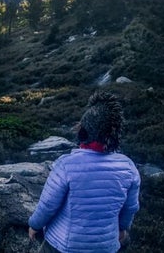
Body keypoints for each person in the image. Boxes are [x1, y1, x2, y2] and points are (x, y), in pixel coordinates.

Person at [28, 91, 141, 253]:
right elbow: (130, 208)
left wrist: (34, 225)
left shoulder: (66, 165)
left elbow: (48, 205)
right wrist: (122, 229)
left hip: (63, 245)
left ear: (83, 131)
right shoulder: (128, 166)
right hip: (106, 246)